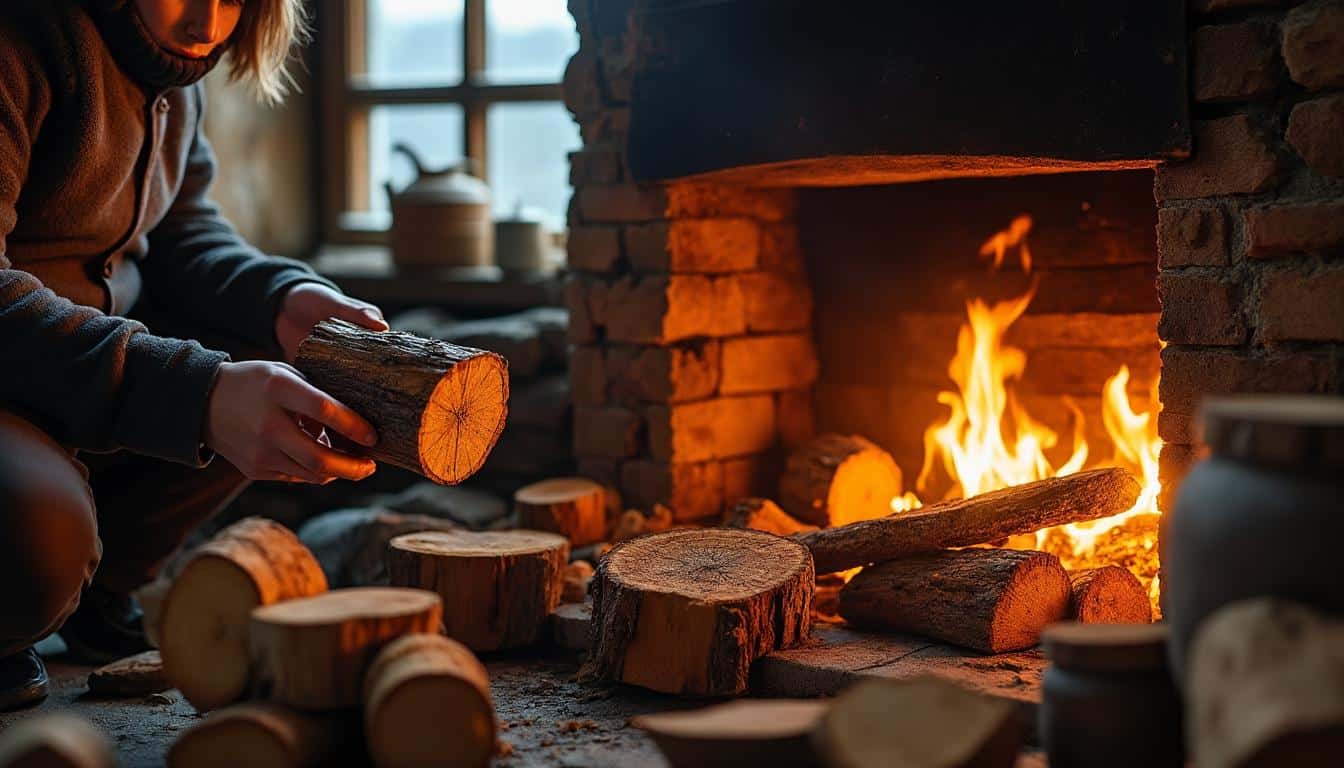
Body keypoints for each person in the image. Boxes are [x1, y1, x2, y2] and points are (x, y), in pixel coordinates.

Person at [0, 0, 388, 709]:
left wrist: (285, 296)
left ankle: (103, 584)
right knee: (39, 539)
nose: (207, 19)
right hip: (11, 371)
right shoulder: (22, 37)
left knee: (283, 353)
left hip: (84, 370)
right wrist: (198, 396)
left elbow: (183, 231)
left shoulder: (173, 77)